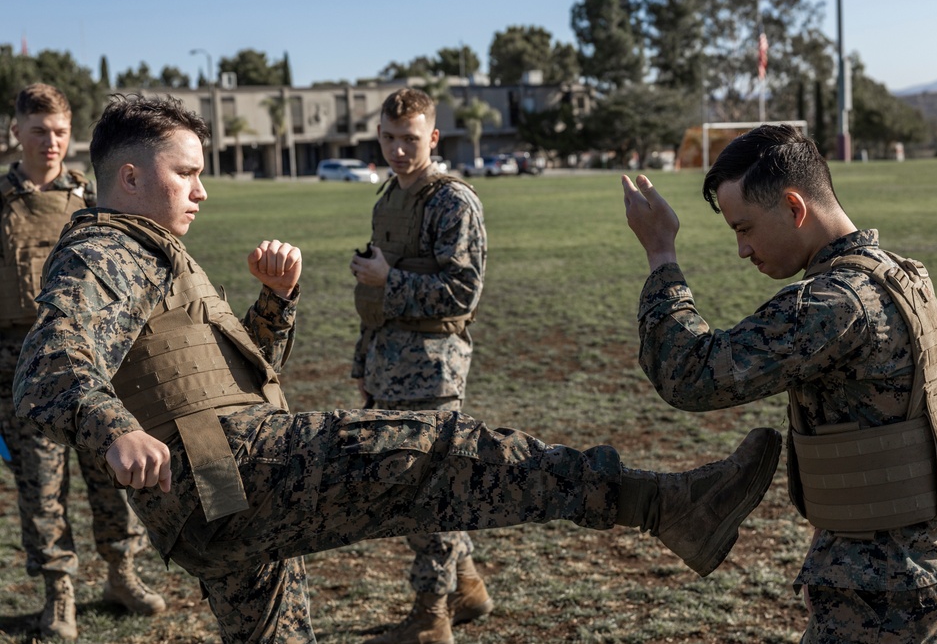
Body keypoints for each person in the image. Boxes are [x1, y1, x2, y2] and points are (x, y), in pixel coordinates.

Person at [14, 94, 783, 644]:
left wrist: (275, 305)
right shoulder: (105, 248)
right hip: (227, 469)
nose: (204, 189)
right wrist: (113, 427)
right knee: (434, 453)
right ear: (130, 179)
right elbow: (49, 367)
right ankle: (663, 503)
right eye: (187, 173)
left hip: (220, 483)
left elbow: (221, 379)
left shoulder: (152, 252)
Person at [620, 124, 937, 643]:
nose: (742, 250)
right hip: (930, 564)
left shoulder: (835, 302)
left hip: (886, 586)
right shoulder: (896, 271)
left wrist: (661, 255)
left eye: (744, 228)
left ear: (796, 208)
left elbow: (690, 376)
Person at [0, 83, 165, 640]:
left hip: (99, 364)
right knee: (41, 488)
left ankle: (122, 573)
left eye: (61, 132)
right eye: (39, 130)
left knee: (112, 474)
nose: (51, 142)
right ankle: (59, 595)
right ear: (16, 131)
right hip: (21, 370)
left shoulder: (87, 202)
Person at [350, 87, 489, 644]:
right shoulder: (388, 197)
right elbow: (372, 287)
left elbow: (463, 291)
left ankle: (432, 617)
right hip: (388, 363)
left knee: (424, 491)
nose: (398, 150)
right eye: (388, 138)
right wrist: (363, 361)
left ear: (432, 137)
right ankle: (467, 587)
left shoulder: (452, 202)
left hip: (433, 368)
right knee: (417, 485)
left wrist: (391, 280)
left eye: (410, 139)